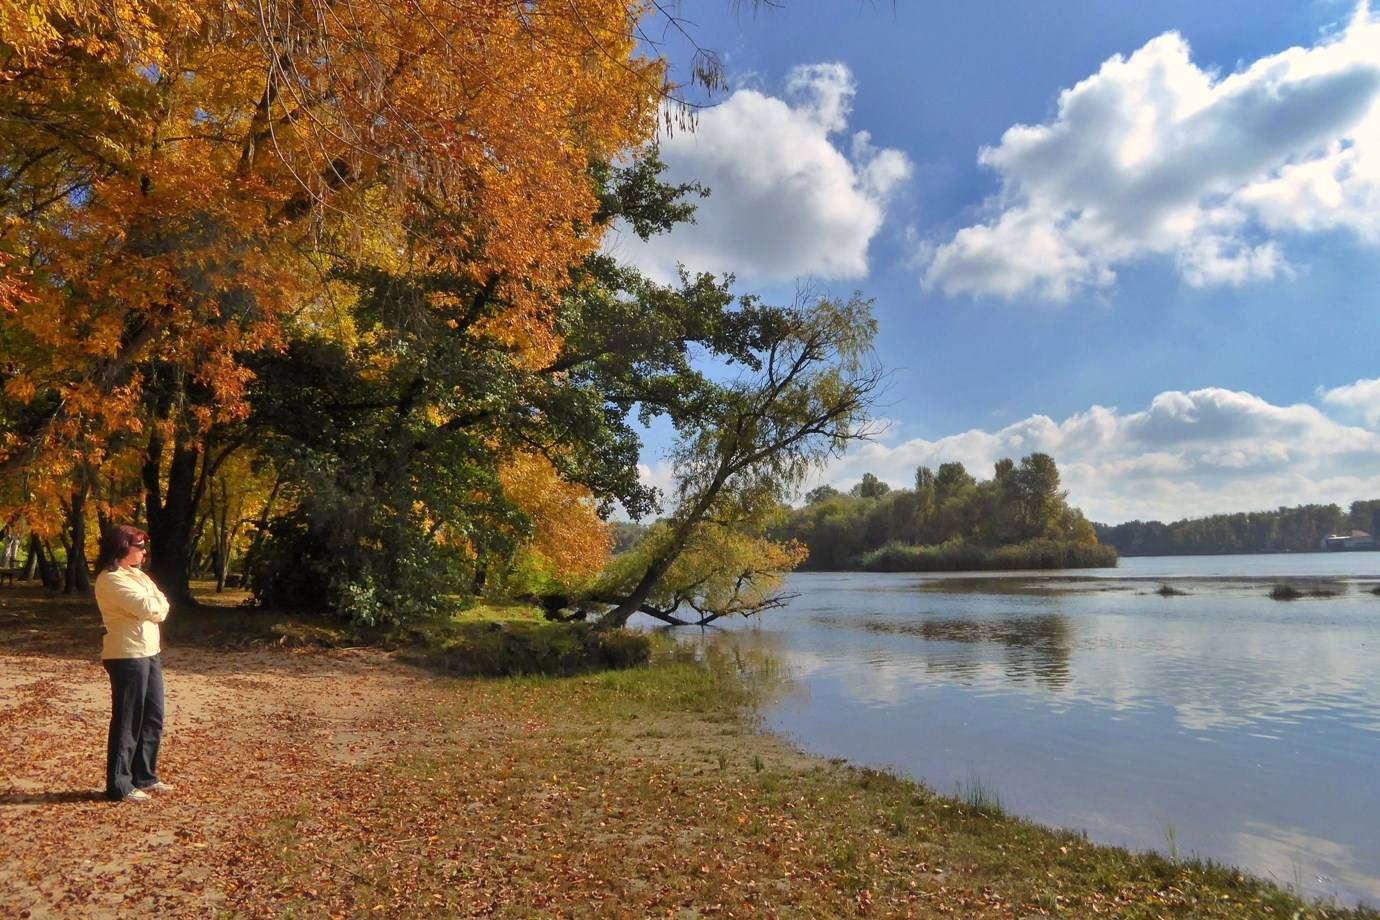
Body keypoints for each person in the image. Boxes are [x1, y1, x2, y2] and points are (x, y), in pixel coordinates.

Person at [93, 525, 173, 803]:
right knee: (128, 720)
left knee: (153, 716)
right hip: (126, 655)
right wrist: (155, 606)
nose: (143, 552)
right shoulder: (111, 579)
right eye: (139, 546)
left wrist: (155, 605)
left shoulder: (138, 575)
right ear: (122, 547)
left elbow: (162, 604)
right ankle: (119, 784)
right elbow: (150, 608)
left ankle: (144, 776)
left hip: (149, 651)